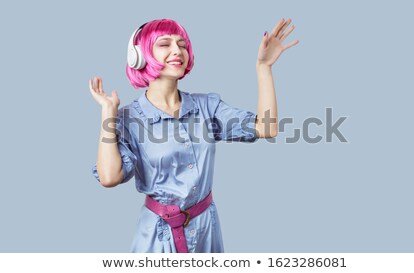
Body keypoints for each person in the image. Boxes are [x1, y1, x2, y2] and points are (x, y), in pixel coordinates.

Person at [89, 18, 299, 253]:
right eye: (164, 44)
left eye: (182, 44)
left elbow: (266, 128)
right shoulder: (127, 118)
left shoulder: (206, 106)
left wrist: (264, 68)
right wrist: (108, 113)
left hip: (206, 230)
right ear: (138, 55)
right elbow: (109, 178)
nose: (177, 50)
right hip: (159, 237)